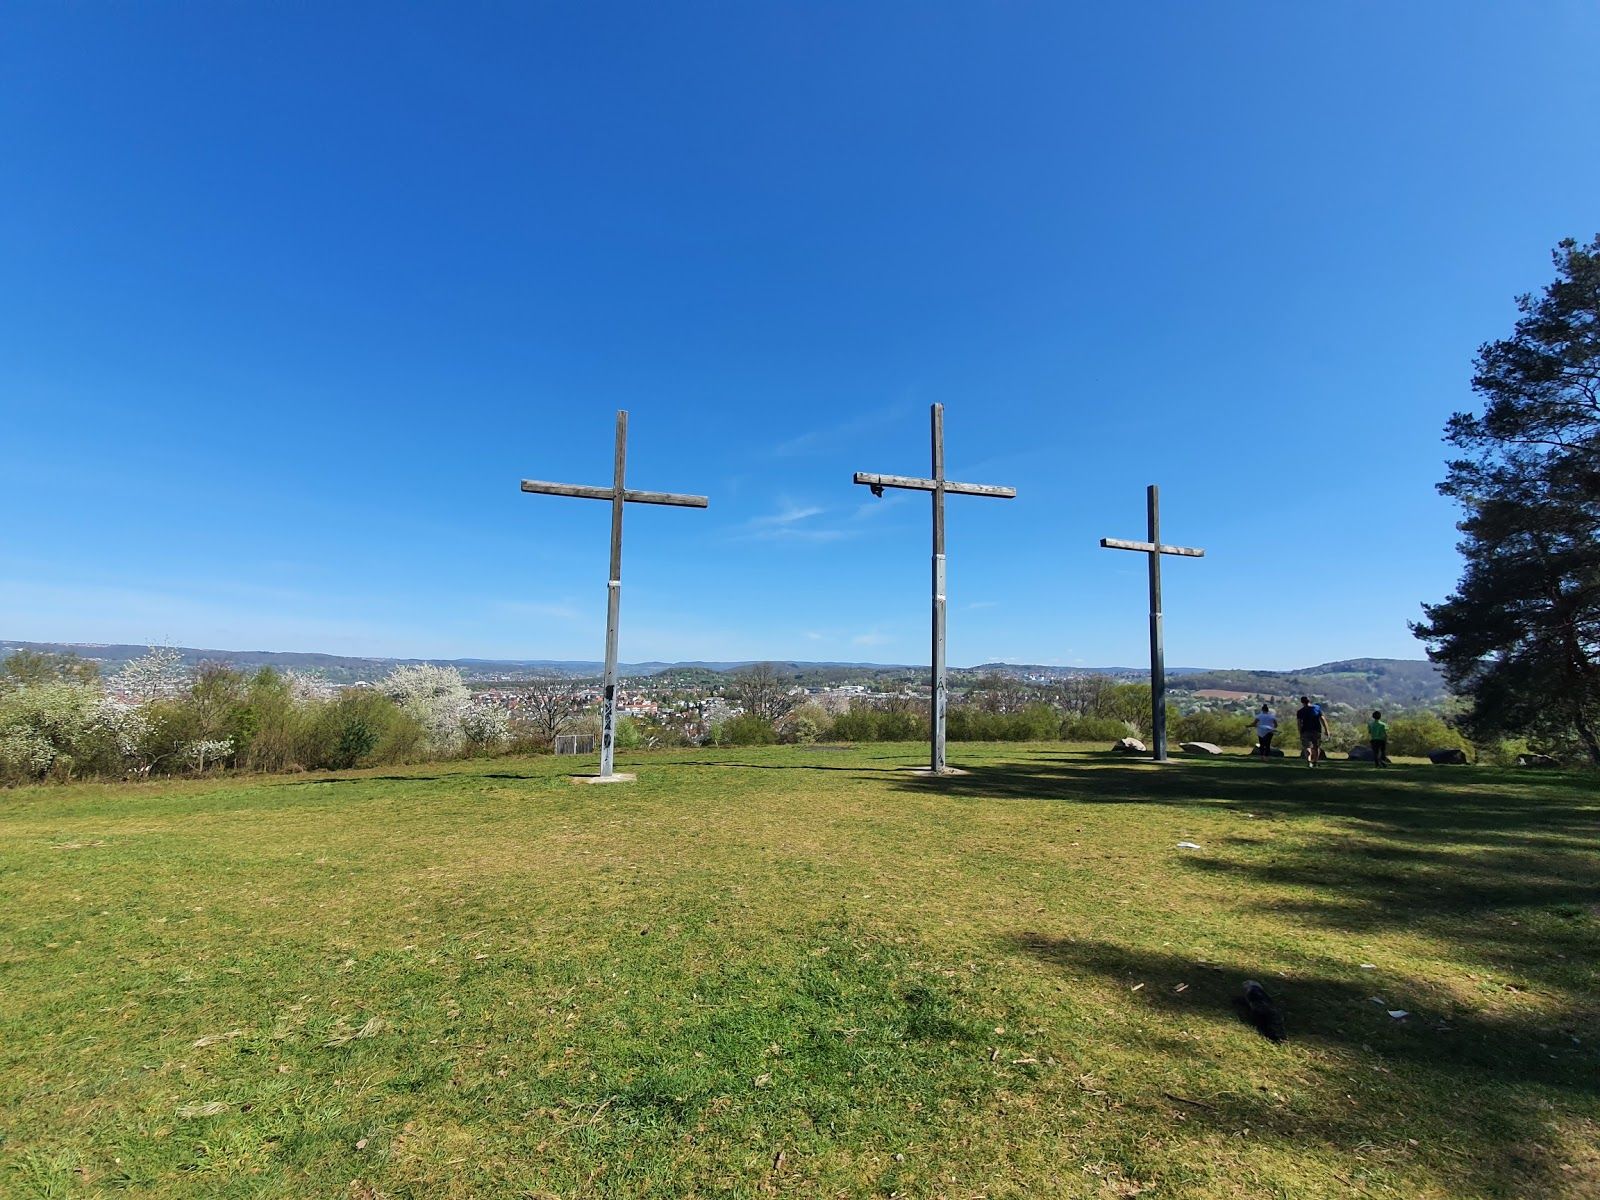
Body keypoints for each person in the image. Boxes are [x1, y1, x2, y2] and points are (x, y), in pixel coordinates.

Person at [1295, 695, 1330, 767]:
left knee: (1307, 747)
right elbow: (1323, 720)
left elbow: (1299, 723)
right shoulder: (1317, 708)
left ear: (1302, 702)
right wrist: (1327, 730)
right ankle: (1315, 761)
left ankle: (1309, 761)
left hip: (1305, 731)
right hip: (1316, 730)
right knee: (1316, 747)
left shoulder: (1300, 712)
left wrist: (1300, 732)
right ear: (1309, 701)